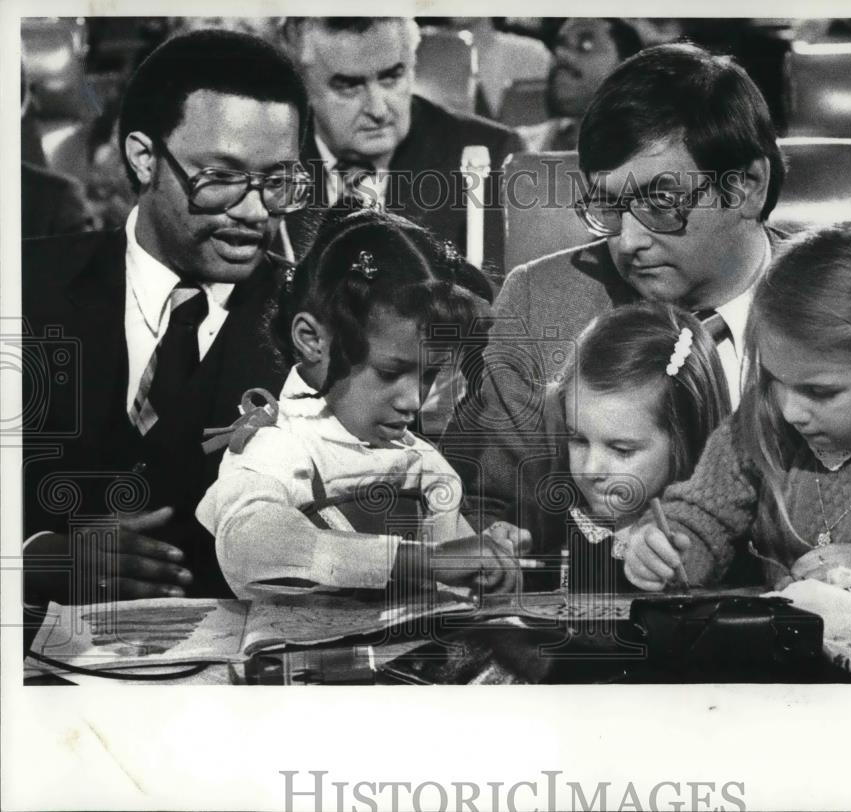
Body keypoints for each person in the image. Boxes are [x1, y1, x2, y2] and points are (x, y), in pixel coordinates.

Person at [443, 43, 786, 536]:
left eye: (661, 201)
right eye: (608, 207)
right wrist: (493, 541)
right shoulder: (537, 305)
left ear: (747, 186)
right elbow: (484, 505)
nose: (628, 242)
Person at [21, 30, 312, 608]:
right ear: (143, 157)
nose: (255, 211)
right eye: (221, 178)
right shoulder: (20, 287)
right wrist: (32, 557)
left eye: (277, 181)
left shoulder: (320, 318)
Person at [196, 211, 525, 598]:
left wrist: (489, 565)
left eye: (429, 374)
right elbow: (254, 545)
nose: (414, 401)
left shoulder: (421, 459)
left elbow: (450, 587)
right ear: (311, 339)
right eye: (390, 372)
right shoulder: (276, 446)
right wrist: (424, 559)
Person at [622, 223, 851, 599]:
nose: (790, 410)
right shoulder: (758, 429)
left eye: (819, 391)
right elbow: (703, 517)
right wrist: (666, 551)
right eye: (774, 379)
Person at [492, 302, 729, 593]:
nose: (591, 469)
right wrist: (499, 561)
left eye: (621, 450)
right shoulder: (542, 521)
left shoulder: (705, 541)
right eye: (578, 440)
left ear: (687, 439)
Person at [281, 17, 525, 279]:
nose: (378, 110)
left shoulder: (490, 152)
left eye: (391, 77)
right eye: (349, 86)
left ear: (411, 67)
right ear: (301, 85)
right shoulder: (271, 156)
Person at [518, 18, 643, 152]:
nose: (561, 54)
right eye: (560, 44)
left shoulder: (649, 152)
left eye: (586, 45)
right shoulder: (519, 145)